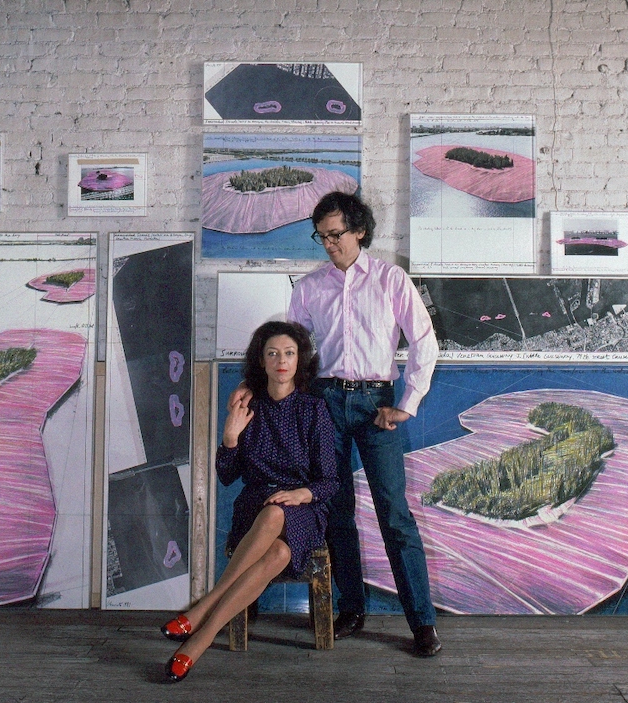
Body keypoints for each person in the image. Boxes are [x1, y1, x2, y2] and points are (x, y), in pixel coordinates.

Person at [230, 191, 442, 657]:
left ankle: (421, 623)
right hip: (322, 403)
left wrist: (406, 404)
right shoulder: (308, 288)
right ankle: (351, 608)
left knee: (394, 515)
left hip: (375, 405)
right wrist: (252, 385)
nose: (328, 244)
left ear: (359, 230)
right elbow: (289, 352)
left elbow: (425, 342)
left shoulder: (390, 280)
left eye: (336, 235)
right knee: (338, 512)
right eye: (321, 237)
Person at [162, 321, 338, 683]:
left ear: (299, 360)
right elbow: (227, 475)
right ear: (261, 361)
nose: (281, 361)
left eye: (289, 353)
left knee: (277, 513)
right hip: (255, 506)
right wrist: (229, 437)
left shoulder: (313, 409)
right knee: (278, 553)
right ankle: (201, 637)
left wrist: (300, 494)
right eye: (272, 353)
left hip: (304, 508)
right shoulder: (248, 407)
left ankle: (200, 624)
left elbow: (330, 480)